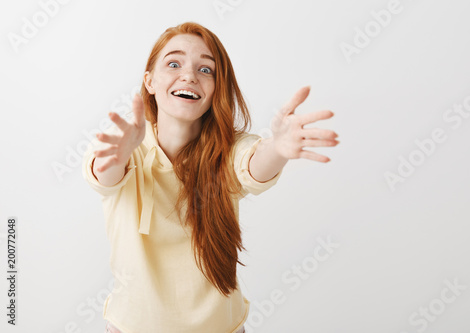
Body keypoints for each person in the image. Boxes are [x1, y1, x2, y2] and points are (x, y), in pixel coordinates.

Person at [82, 21, 339, 333]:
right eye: (173, 63)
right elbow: (105, 175)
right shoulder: (124, 143)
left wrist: (278, 149)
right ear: (149, 81)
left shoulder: (228, 149)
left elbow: (253, 165)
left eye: (206, 70)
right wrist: (119, 156)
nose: (189, 75)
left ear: (217, 87)